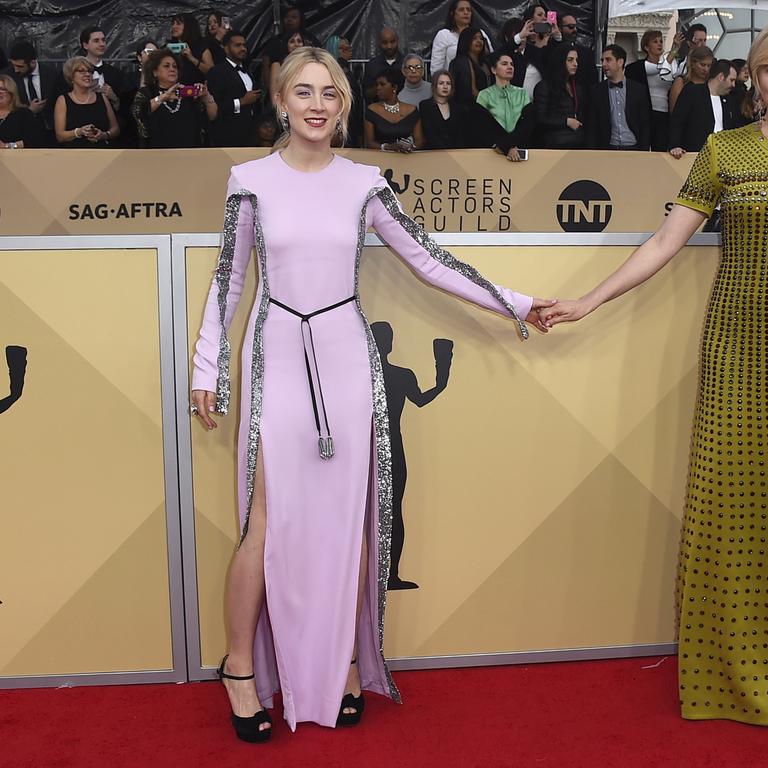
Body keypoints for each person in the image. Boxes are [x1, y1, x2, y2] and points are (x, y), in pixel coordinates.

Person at [189, 44, 551, 740]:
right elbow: (229, 281)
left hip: (349, 362)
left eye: (330, 93)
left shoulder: (365, 183)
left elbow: (428, 259)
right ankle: (240, 668)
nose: (318, 104)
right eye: (304, 92)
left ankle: (348, 663)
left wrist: (516, 301)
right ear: (281, 101)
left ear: (344, 106)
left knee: (349, 524)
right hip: (278, 360)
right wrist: (209, 366)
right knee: (263, 526)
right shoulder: (249, 180)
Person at [540, 19, 768, 731]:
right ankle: (731, 675)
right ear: (751, 80)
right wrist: (586, 301)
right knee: (731, 505)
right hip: (736, 345)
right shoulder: (722, 151)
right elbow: (667, 240)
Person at [132, 48, 216, 148]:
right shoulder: (147, 93)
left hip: (190, 152)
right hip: (157, 154)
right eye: (166, 66)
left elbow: (212, 116)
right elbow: (138, 112)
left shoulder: (187, 92)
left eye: (175, 66)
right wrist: (163, 97)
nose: (172, 69)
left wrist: (207, 97)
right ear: (155, 72)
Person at [586, 44, 650, 151]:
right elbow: (592, 126)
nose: (604, 64)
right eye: (602, 60)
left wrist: (644, 151)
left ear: (620, 62)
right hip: (607, 149)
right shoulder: (596, 91)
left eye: (608, 60)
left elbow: (645, 123)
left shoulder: (638, 90)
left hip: (633, 148)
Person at [668, 57, 736, 157]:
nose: (733, 85)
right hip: (695, 156)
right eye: (732, 80)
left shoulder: (729, 100)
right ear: (721, 77)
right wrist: (675, 146)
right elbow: (677, 121)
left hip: (722, 157)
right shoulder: (692, 92)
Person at [476, 52, 535, 162]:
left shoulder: (522, 93)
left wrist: (510, 145)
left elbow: (527, 124)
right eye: (504, 64)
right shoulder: (484, 95)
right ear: (493, 70)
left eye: (512, 64)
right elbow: (485, 125)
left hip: (518, 149)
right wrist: (506, 146)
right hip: (493, 152)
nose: (510, 67)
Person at [206, 31, 261, 147]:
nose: (243, 49)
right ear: (226, 48)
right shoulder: (217, 72)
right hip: (227, 135)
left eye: (244, 45)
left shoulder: (248, 71)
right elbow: (216, 106)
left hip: (250, 134)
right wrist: (242, 101)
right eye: (237, 45)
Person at [54, 56, 120, 147]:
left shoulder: (102, 98)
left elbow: (115, 129)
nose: (87, 74)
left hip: (101, 152)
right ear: (71, 76)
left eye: (89, 71)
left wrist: (104, 135)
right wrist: (79, 132)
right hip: (74, 154)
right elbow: (60, 136)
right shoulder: (63, 100)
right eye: (81, 71)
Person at [624, 30, 673, 151]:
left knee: (661, 148)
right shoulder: (639, 67)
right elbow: (658, 69)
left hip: (664, 113)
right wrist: (675, 49)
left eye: (661, 41)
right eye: (655, 41)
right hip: (648, 113)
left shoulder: (669, 65)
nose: (659, 44)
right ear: (646, 47)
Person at [8, 39, 61, 145]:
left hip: (50, 134)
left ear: (33, 62)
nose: (16, 70)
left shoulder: (52, 74)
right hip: (21, 135)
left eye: (20, 66)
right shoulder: (8, 77)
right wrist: (29, 111)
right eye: (14, 65)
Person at [533, 43, 586, 148]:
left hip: (577, 143)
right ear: (560, 61)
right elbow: (540, 118)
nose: (575, 64)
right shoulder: (545, 86)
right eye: (570, 60)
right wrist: (566, 121)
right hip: (554, 144)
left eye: (576, 60)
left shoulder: (577, 87)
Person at [364, 68, 424, 152]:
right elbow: (369, 143)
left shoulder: (412, 110)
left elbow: (419, 141)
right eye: (377, 84)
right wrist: (388, 147)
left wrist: (410, 147)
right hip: (380, 158)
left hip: (407, 158)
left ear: (394, 87)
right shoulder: (372, 110)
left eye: (382, 84)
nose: (378, 88)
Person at [431, 0, 494, 75]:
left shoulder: (480, 33)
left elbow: (490, 58)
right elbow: (436, 68)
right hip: (452, 82)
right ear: (452, 13)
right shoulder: (444, 35)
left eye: (468, 10)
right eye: (461, 10)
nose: (466, 12)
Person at [419, 70, 466, 148]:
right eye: (441, 83)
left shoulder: (458, 108)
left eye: (448, 83)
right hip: (433, 153)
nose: (445, 86)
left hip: (456, 153)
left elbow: (461, 135)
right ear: (434, 85)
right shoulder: (425, 106)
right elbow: (429, 133)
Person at [449, 27, 491, 108]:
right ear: (466, 41)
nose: (479, 41)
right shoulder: (461, 62)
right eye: (474, 38)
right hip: (470, 109)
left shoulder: (486, 62)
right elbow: (472, 91)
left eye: (481, 38)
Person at [0, 73, 43, 149]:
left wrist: (8, 146)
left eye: (2, 89)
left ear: (11, 92)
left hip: (17, 157)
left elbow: (34, 140)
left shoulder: (23, 114)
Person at [362, 28, 404, 104]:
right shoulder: (372, 65)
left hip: (404, 110)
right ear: (379, 43)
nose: (389, 46)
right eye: (385, 43)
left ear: (397, 41)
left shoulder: (406, 63)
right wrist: (380, 87)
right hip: (379, 110)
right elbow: (366, 93)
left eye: (392, 42)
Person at [668, 44, 712, 113]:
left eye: (709, 66)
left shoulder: (709, 84)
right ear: (693, 63)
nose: (706, 69)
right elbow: (674, 111)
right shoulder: (681, 82)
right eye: (702, 65)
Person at [168, 13, 208, 84]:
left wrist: (192, 58)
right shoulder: (168, 46)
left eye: (178, 24)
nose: (174, 26)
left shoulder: (201, 46)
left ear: (188, 26)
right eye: (173, 24)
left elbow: (211, 71)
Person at [558, 13, 596, 86]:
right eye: (571, 27)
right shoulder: (553, 48)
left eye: (575, 26)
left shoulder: (586, 53)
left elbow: (593, 80)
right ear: (560, 29)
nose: (575, 30)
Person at [270, 31, 313, 97]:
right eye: (292, 41)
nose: (296, 44)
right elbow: (274, 94)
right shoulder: (277, 65)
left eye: (299, 41)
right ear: (286, 45)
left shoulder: (309, 64)